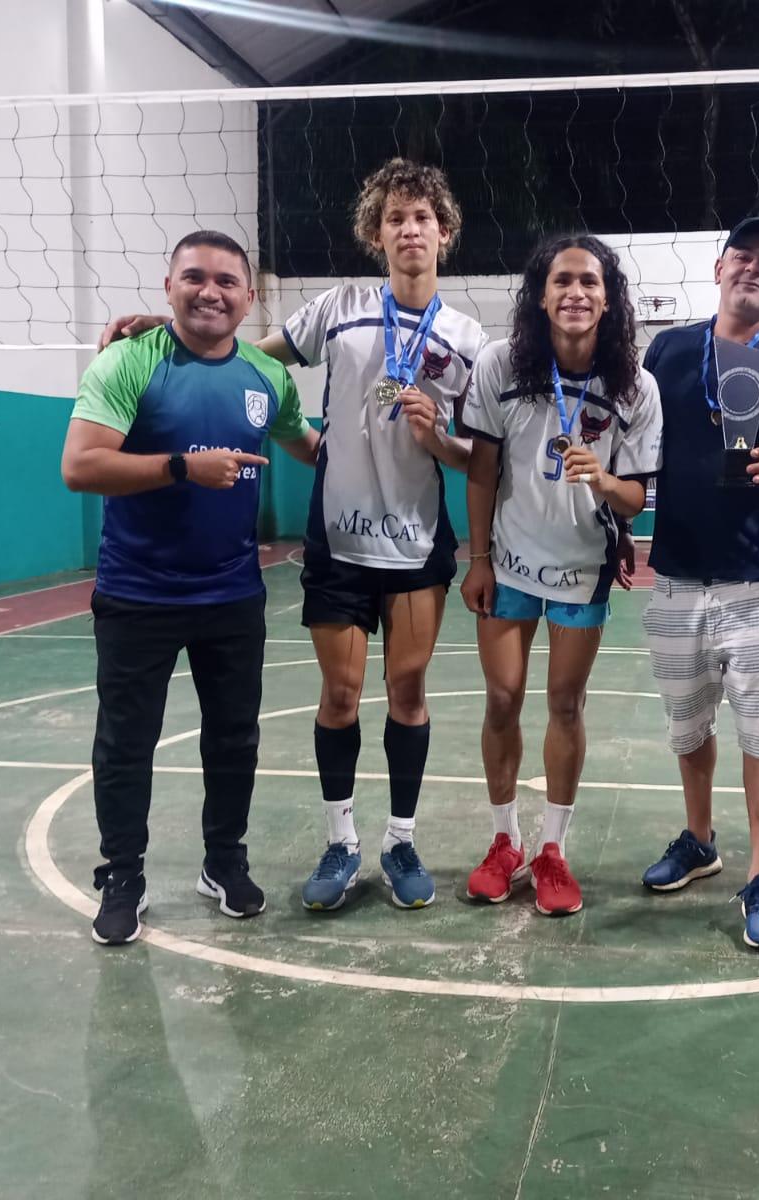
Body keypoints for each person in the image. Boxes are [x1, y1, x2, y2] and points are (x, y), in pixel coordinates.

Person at [102, 160, 486, 913]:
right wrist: (171, 326)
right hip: (339, 540)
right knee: (341, 695)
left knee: (406, 692)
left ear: (445, 232)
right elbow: (242, 355)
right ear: (377, 233)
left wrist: (441, 441)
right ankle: (341, 842)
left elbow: (481, 456)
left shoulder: (469, 339)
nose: (411, 230)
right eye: (396, 218)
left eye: (424, 218)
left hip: (417, 546)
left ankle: (399, 839)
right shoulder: (337, 309)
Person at [64, 230, 317, 946]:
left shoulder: (269, 380)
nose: (211, 291)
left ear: (250, 297)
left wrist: (405, 439)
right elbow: (81, 466)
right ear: (167, 285)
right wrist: (182, 468)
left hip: (231, 596)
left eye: (227, 281)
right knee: (125, 742)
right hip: (137, 594)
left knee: (234, 738)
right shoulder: (129, 360)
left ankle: (224, 861)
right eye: (195, 278)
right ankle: (122, 874)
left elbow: (311, 445)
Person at [636, 216, 759, 951]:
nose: (755, 269)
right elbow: (639, 444)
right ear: (719, 268)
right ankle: (699, 838)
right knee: (688, 726)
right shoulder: (670, 348)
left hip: (754, 577)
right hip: (678, 570)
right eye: (743, 258)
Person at [458, 234, 663, 916]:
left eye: (590, 282)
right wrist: (479, 559)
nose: (576, 292)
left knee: (566, 705)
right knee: (502, 699)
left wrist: (604, 479)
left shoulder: (635, 387)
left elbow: (637, 498)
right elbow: (482, 470)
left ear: (609, 300)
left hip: (582, 570)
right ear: (540, 296)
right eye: (562, 281)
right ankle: (504, 841)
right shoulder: (499, 365)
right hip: (510, 565)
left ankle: (553, 851)